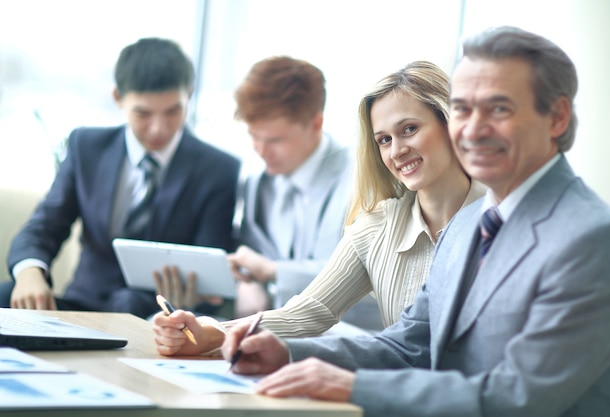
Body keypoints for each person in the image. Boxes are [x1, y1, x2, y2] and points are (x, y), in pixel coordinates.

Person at [221, 26, 610, 417]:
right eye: (463, 109)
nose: (472, 128)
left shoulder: (593, 239)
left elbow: (519, 397)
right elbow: (408, 346)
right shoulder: (470, 223)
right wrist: (289, 352)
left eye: (498, 108)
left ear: (556, 118)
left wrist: (352, 386)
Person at [152, 61, 485, 355]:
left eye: (409, 129)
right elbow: (308, 312)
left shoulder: (504, 219)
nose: (396, 150)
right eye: (384, 140)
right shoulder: (375, 228)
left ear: (451, 122)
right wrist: (211, 333)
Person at [1, 37, 241, 318]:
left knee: (129, 304)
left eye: (173, 111)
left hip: (155, 315)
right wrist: (30, 271)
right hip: (84, 306)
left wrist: (193, 296)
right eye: (143, 113)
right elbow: (45, 225)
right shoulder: (87, 147)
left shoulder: (219, 169)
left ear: (189, 94)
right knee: (7, 294)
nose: (157, 128)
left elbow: (211, 264)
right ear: (118, 98)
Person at [157, 55, 383, 330]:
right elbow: (250, 264)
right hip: (267, 342)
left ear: (316, 123)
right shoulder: (256, 185)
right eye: (254, 136)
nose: (261, 151)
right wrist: (246, 283)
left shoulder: (366, 179)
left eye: (275, 140)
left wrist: (274, 274)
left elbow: (372, 282)